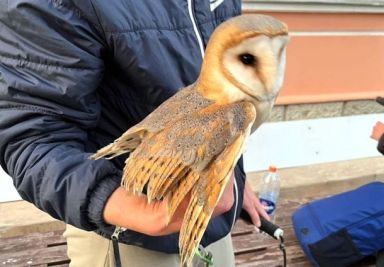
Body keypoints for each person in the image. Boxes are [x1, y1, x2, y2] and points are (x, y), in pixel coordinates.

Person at [0, 1, 269, 266]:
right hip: (131, 234)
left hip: (213, 218)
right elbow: (33, 137)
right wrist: (132, 207)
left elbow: (218, 94)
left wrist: (230, 173)